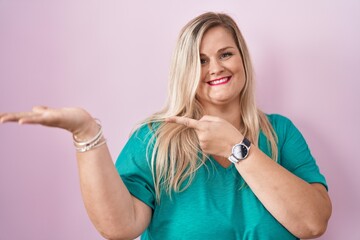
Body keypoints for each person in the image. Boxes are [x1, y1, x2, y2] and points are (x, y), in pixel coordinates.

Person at [0, 12, 331, 240]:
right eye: (200, 60)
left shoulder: (281, 132)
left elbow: (313, 222)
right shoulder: (153, 140)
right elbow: (121, 227)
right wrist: (87, 134)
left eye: (226, 54)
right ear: (184, 70)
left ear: (242, 59)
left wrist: (237, 149)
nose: (215, 67)